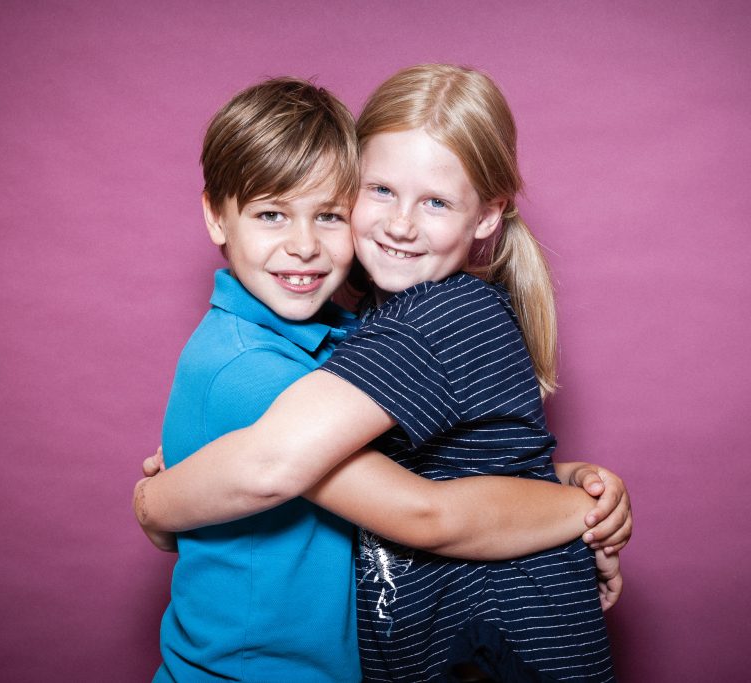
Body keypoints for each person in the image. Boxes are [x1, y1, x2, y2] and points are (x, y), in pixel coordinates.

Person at [139, 73, 630, 682]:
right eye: (381, 191)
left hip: (496, 643)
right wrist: (573, 494)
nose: (400, 225)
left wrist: (152, 504)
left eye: (435, 202)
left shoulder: (429, 317)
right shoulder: (325, 342)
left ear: (487, 215)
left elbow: (414, 504)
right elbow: (432, 475)